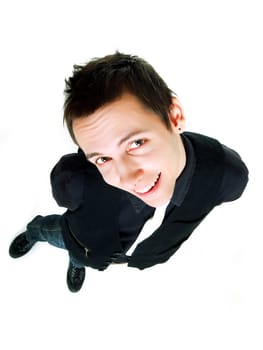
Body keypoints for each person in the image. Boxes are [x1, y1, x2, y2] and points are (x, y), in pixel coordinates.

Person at [9, 51, 249, 292]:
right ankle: (37, 233)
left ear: (175, 116)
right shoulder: (76, 179)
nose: (125, 177)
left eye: (136, 143)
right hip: (81, 242)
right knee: (63, 241)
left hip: (126, 256)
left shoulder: (227, 173)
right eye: (102, 158)